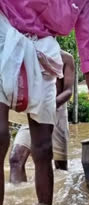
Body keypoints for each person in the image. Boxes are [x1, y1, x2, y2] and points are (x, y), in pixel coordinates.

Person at [0, 1, 89, 205]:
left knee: (44, 148)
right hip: (4, 36)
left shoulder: (86, 3)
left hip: (44, 57)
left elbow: (87, 48)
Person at [9, 50, 74, 184]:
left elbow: (68, 91)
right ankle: (19, 201)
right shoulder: (27, 52)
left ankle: (58, 200)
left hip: (57, 113)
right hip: (33, 111)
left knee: (60, 168)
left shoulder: (66, 58)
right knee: (15, 159)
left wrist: (49, 106)